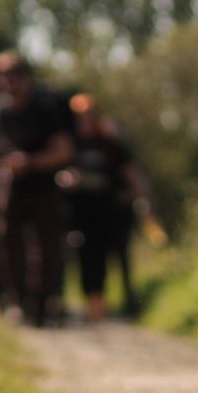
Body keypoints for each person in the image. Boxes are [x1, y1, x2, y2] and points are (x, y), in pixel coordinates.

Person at [0, 51, 73, 327]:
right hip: (14, 185)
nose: (8, 82)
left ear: (25, 77)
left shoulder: (45, 107)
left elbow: (63, 151)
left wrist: (30, 162)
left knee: (49, 247)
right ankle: (19, 302)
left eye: (13, 76)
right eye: (2, 77)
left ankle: (47, 302)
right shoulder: (1, 111)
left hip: (44, 186)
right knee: (6, 240)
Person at [59, 94, 150, 323]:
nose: (85, 120)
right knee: (85, 257)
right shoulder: (69, 143)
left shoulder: (110, 143)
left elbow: (130, 173)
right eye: (80, 116)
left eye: (89, 115)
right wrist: (66, 179)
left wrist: (139, 195)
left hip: (108, 212)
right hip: (79, 212)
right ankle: (92, 303)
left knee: (113, 256)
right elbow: (58, 172)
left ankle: (121, 302)